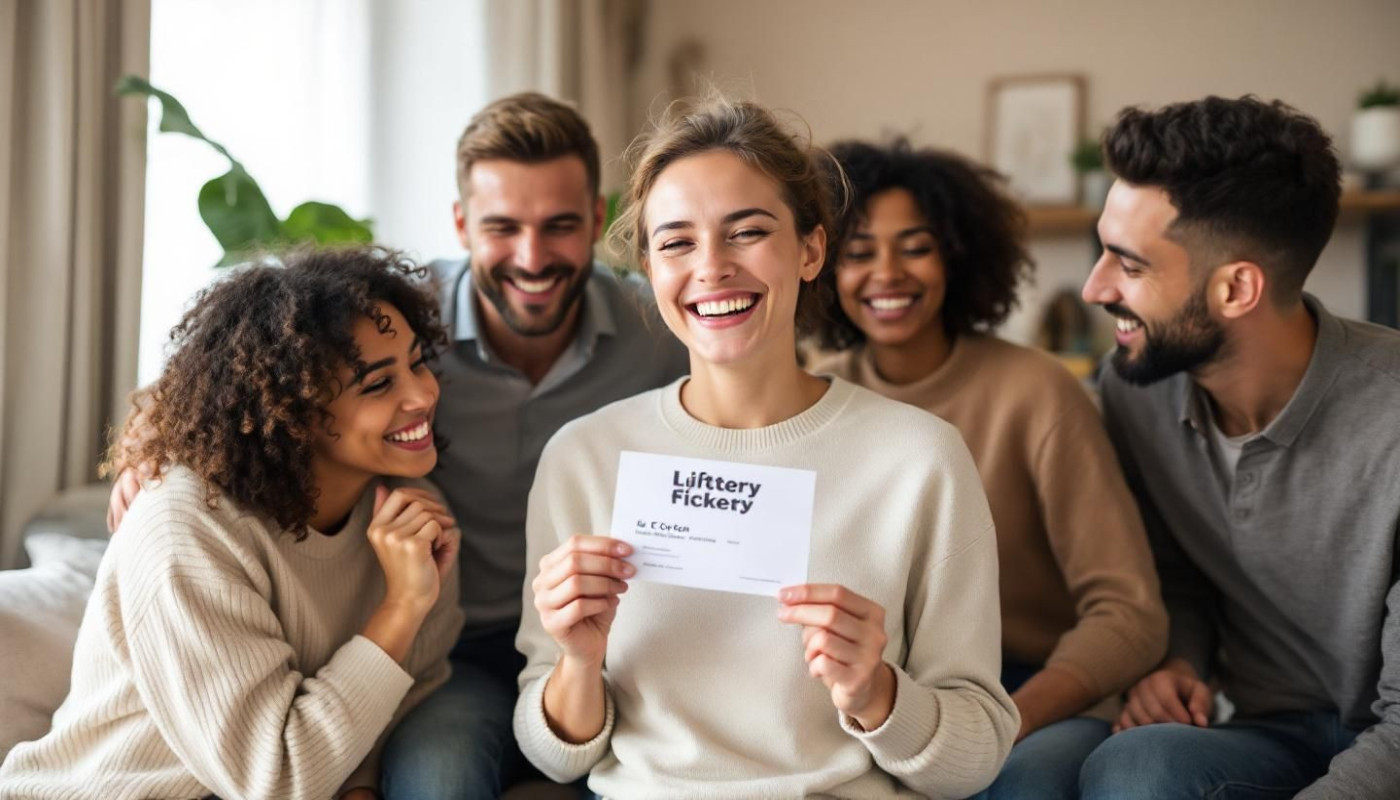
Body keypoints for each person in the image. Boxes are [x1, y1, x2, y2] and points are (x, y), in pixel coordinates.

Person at [106, 93, 689, 799]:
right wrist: (147, 446)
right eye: (502, 227)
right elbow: (237, 373)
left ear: (596, 220)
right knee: (438, 780)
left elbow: (759, 384)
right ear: (460, 223)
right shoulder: (393, 323)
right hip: (452, 648)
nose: (532, 257)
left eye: (560, 226)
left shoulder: (662, 327)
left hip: (609, 632)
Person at [514, 97, 1019, 799]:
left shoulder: (920, 459)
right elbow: (555, 758)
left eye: (746, 232)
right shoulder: (585, 456)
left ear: (811, 249)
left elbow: (975, 759)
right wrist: (576, 660)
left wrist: (875, 691)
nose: (711, 267)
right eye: (676, 242)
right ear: (649, 270)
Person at [0, 246, 465, 799]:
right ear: (294, 408)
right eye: (378, 384)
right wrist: (402, 607)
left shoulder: (413, 513)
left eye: (416, 362)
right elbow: (274, 781)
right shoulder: (189, 528)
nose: (422, 394)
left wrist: (360, 786)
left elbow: (409, 693)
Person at [805, 138, 1168, 799]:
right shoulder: (811, 400)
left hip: (1032, 691)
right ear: (821, 266)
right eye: (858, 252)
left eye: (915, 246)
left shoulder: (1036, 392)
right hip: (877, 700)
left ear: (957, 255)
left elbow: (1130, 613)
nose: (885, 272)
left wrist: (1000, 724)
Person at [1076, 96, 1400, 799]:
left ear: (1236, 288)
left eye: (1128, 265)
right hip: (1272, 733)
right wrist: (1182, 664)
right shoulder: (1138, 392)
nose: (1093, 287)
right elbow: (1175, 572)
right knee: (1134, 769)